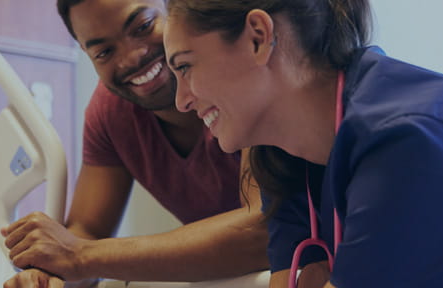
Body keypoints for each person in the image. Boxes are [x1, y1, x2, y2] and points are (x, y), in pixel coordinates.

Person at [163, 0, 443, 287]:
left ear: (258, 38)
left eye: (185, 66)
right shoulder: (286, 156)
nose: (181, 101)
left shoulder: (402, 143)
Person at [2, 0, 269, 287]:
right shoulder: (110, 113)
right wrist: (52, 273)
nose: (131, 58)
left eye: (143, 26)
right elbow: (88, 231)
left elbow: (263, 229)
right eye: (104, 51)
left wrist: (78, 257)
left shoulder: (245, 72)